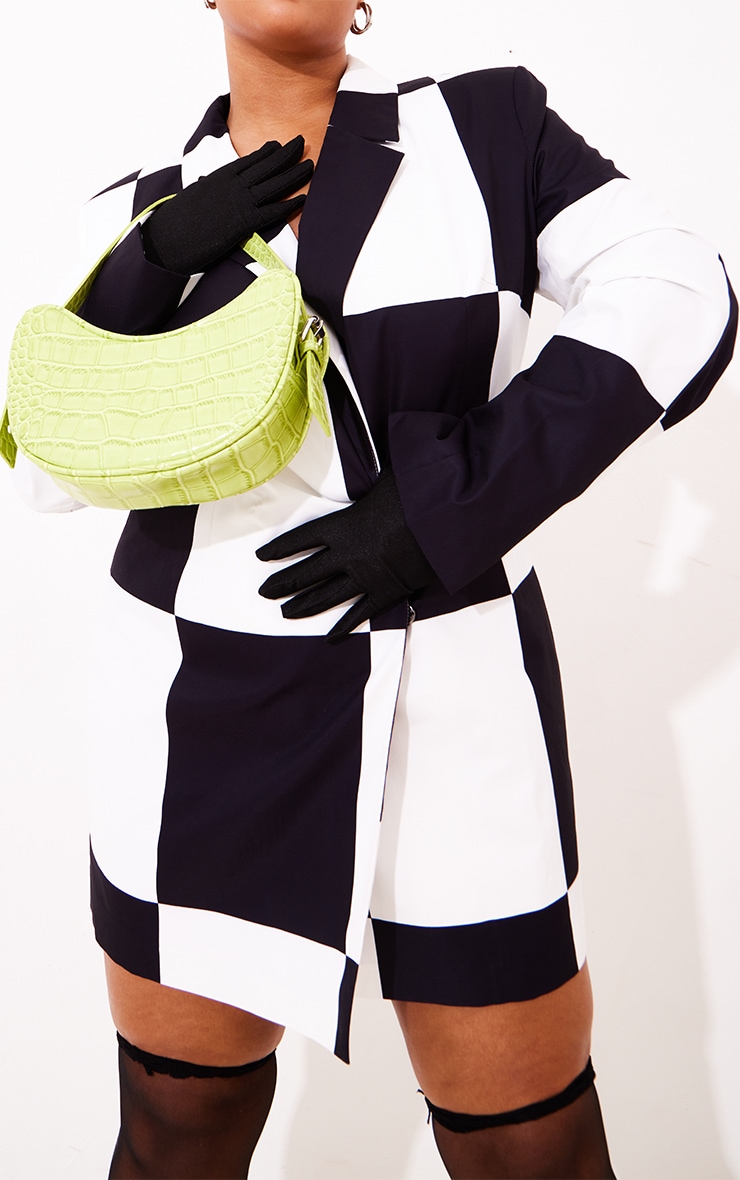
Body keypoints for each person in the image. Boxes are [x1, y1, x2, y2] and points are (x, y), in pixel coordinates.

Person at [9, 1, 735, 1177]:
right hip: (196, 718)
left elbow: (678, 289)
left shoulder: (487, 129)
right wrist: (149, 261)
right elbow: (41, 466)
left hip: (453, 713)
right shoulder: (137, 204)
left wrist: (452, 506)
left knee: (534, 1148)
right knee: (176, 1137)